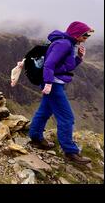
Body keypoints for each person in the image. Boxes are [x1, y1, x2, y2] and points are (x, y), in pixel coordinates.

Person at [28, 21, 94, 165]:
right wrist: (49, 83)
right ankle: (70, 152)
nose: (87, 37)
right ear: (77, 33)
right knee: (67, 118)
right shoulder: (63, 44)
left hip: (55, 83)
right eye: (85, 34)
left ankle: (35, 138)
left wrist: (79, 58)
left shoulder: (68, 44)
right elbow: (49, 64)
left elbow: (66, 67)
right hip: (54, 85)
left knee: (44, 112)